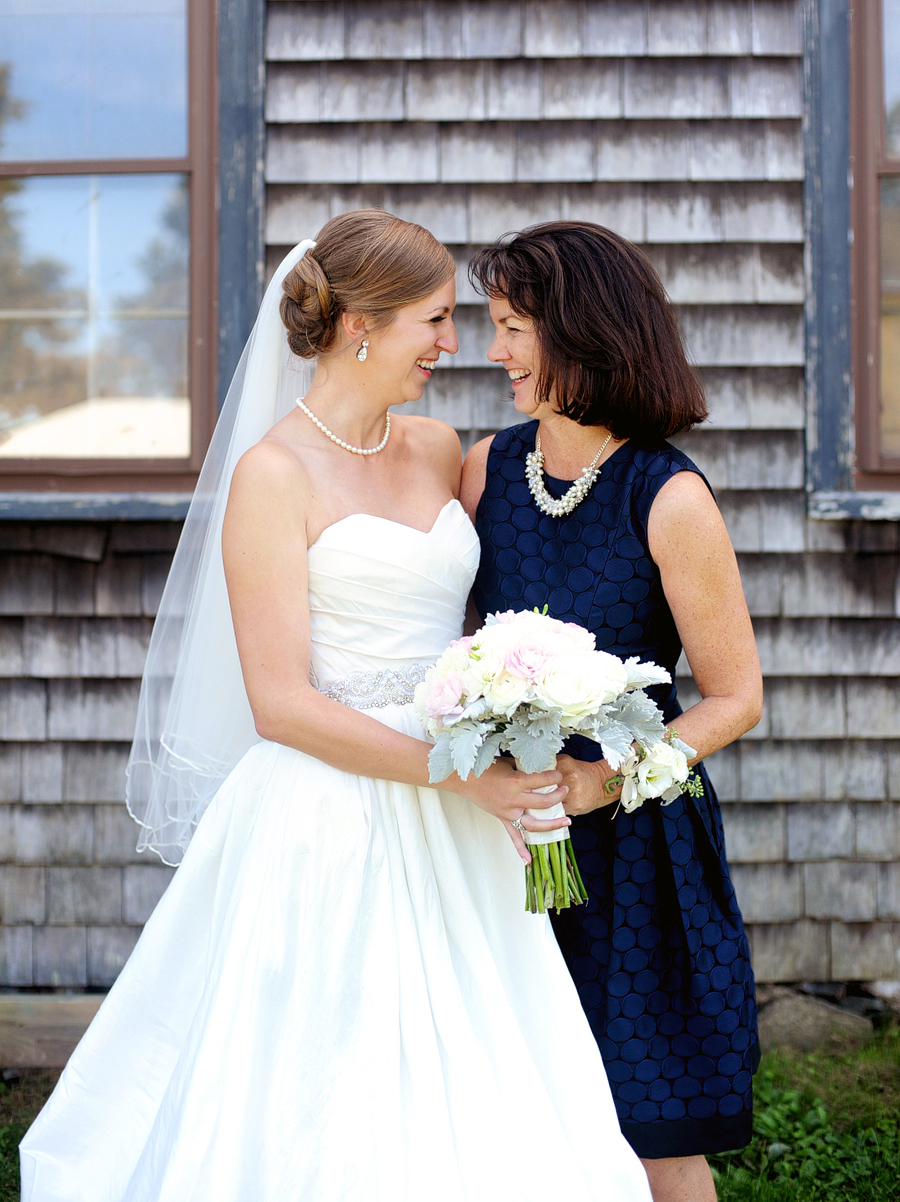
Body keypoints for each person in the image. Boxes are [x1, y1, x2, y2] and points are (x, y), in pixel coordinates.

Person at [19, 211, 652, 1202]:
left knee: (484, 1055)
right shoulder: (269, 476)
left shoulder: (444, 448)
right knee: (327, 1066)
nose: (456, 344)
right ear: (360, 320)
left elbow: (526, 560)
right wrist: (469, 777)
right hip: (330, 807)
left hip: (464, 807)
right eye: (436, 320)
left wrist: (536, 685)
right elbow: (280, 702)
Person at [461, 221, 763, 1202]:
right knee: (514, 1114)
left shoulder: (666, 494)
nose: (493, 349)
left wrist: (606, 777)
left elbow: (736, 697)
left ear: (579, 331)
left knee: (648, 1122)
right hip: (508, 835)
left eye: (511, 327)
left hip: (637, 848)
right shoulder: (485, 469)